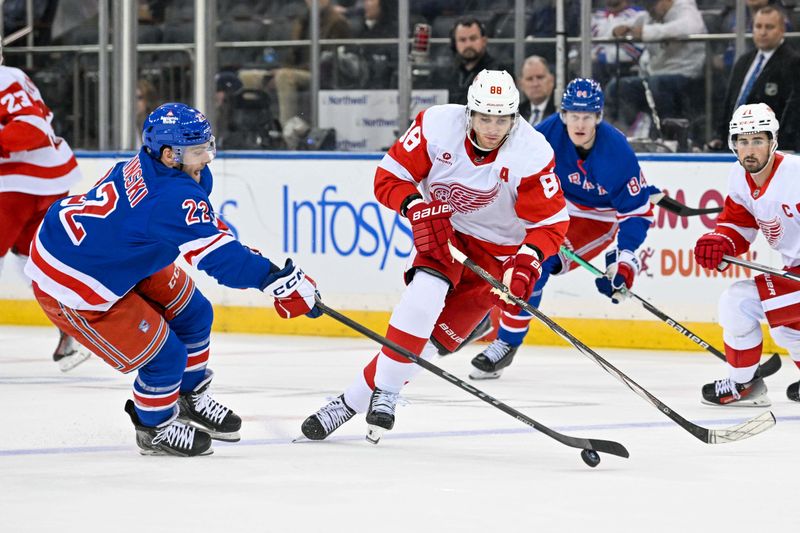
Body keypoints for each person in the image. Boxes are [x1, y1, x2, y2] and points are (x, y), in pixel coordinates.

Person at [24, 102, 322, 456]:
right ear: (169, 154)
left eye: (208, 145)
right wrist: (278, 283)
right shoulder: (168, 196)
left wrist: (273, 274)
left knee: (196, 313)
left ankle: (188, 397)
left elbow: (204, 230)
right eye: (198, 150)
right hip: (74, 281)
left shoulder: (159, 168)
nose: (207, 157)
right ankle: (154, 428)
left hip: (112, 253)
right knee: (166, 357)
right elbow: (219, 260)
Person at [300, 70, 568, 443]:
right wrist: (415, 208)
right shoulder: (437, 124)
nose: (492, 128)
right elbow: (389, 178)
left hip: (498, 255)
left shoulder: (532, 151)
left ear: (514, 118)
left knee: (429, 343)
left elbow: (551, 224)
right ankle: (387, 394)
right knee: (423, 295)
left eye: (502, 119)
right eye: (485, 117)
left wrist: (527, 263)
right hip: (446, 231)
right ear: (470, 113)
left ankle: (348, 402)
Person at [470, 79, 655, 380]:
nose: (579, 124)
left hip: (596, 218)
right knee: (495, 246)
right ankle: (479, 313)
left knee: (538, 261)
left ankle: (507, 342)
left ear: (598, 117)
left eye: (587, 117)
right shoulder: (544, 134)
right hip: (555, 205)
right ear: (563, 114)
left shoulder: (617, 151)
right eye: (573, 115)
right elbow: (512, 173)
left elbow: (636, 213)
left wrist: (625, 257)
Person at [693, 103, 800, 406]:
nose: (749, 149)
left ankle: (743, 385)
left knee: (738, 302)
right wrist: (720, 240)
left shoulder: (795, 176)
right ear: (733, 144)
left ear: (772, 142)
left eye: (758, 140)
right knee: (789, 331)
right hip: (794, 269)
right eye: (743, 141)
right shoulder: (739, 177)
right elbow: (738, 223)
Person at [0, 39, 89, 371]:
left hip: (16, 183)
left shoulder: (4, 78)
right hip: (44, 180)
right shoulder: (12, 76)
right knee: (33, 261)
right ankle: (73, 331)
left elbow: (32, 128)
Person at [706, 6, 800, 152]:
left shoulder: (793, 63)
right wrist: (720, 135)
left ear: (782, 30)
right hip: (733, 146)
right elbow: (730, 103)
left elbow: (793, 113)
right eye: (758, 26)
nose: (762, 32)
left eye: (769, 27)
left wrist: (780, 147)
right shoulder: (744, 61)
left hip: (768, 150)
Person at [606, 0, 706, 135]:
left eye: (653, 5)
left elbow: (688, 27)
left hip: (686, 75)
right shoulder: (650, 15)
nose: (650, 9)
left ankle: (665, 136)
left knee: (657, 84)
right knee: (619, 86)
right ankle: (616, 135)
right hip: (655, 76)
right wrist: (620, 29)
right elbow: (629, 24)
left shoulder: (686, 8)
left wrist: (645, 31)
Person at [273, 0, 351, 147]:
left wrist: (287, 70)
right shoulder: (303, 20)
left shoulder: (336, 22)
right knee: (249, 77)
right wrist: (281, 68)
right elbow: (292, 53)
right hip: (300, 70)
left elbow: (330, 59)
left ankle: (287, 134)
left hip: (321, 74)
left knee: (285, 76)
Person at [439, 16, 509, 105]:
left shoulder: (499, 72)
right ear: (454, 43)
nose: (468, 44)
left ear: (484, 41)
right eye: (462, 40)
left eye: (473, 38)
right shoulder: (446, 74)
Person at [589, 0, 646, 87]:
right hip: (594, 64)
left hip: (625, 66)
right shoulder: (593, 17)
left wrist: (603, 56)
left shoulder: (639, 15)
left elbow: (636, 50)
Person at [517, 56, 556, 127]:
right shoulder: (517, 113)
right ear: (521, 84)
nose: (535, 84)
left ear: (551, 80)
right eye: (529, 79)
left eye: (540, 77)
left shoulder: (560, 111)